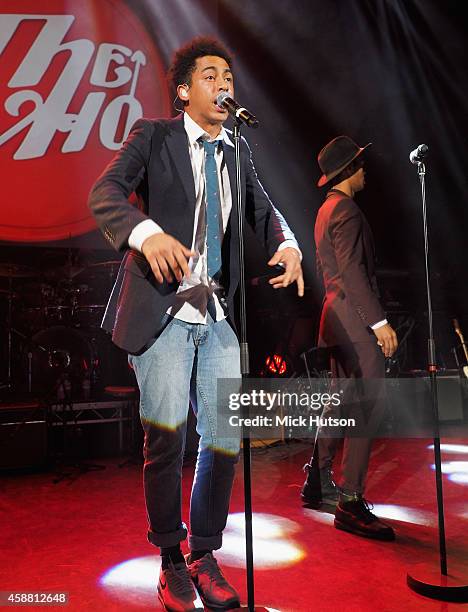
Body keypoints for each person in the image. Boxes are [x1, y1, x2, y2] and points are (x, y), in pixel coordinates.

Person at [89, 37, 303, 611]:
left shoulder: (236, 150)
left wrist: (288, 244)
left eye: (228, 75)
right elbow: (105, 193)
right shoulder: (153, 137)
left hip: (216, 317)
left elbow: (263, 207)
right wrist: (146, 232)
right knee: (167, 441)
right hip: (163, 312)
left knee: (226, 437)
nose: (224, 84)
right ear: (184, 91)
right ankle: (168, 560)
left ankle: (204, 554)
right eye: (210, 75)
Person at [301, 136, 398, 541]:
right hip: (356, 323)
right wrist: (379, 323)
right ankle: (351, 501)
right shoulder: (349, 212)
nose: (365, 169)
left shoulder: (326, 210)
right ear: (349, 172)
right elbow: (354, 275)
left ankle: (318, 480)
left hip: (333, 318)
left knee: (340, 400)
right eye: (360, 164)